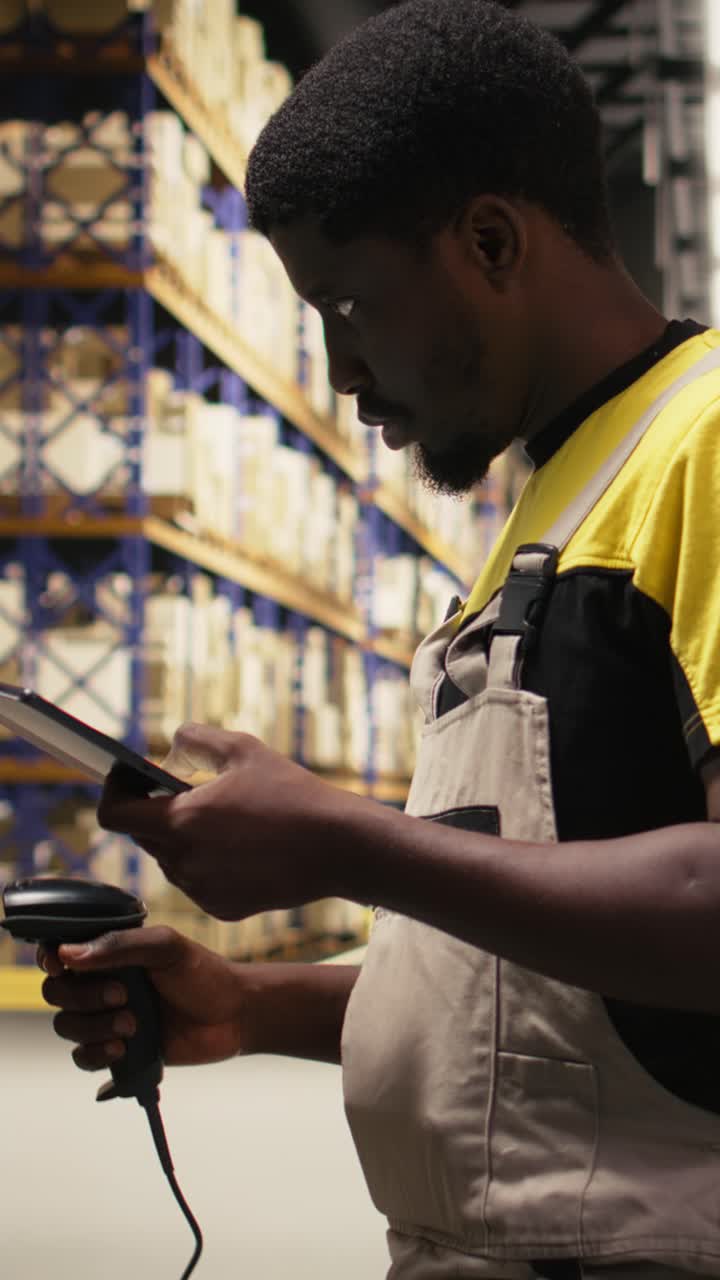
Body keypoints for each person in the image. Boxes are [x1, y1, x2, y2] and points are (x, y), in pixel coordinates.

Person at [38, 2, 720, 1277]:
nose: (342, 373)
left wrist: (345, 839)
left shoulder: (707, 443)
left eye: (352, 303)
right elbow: (552, 1009)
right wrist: (251, 1001)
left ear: (492, 241)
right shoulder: (554, 503)